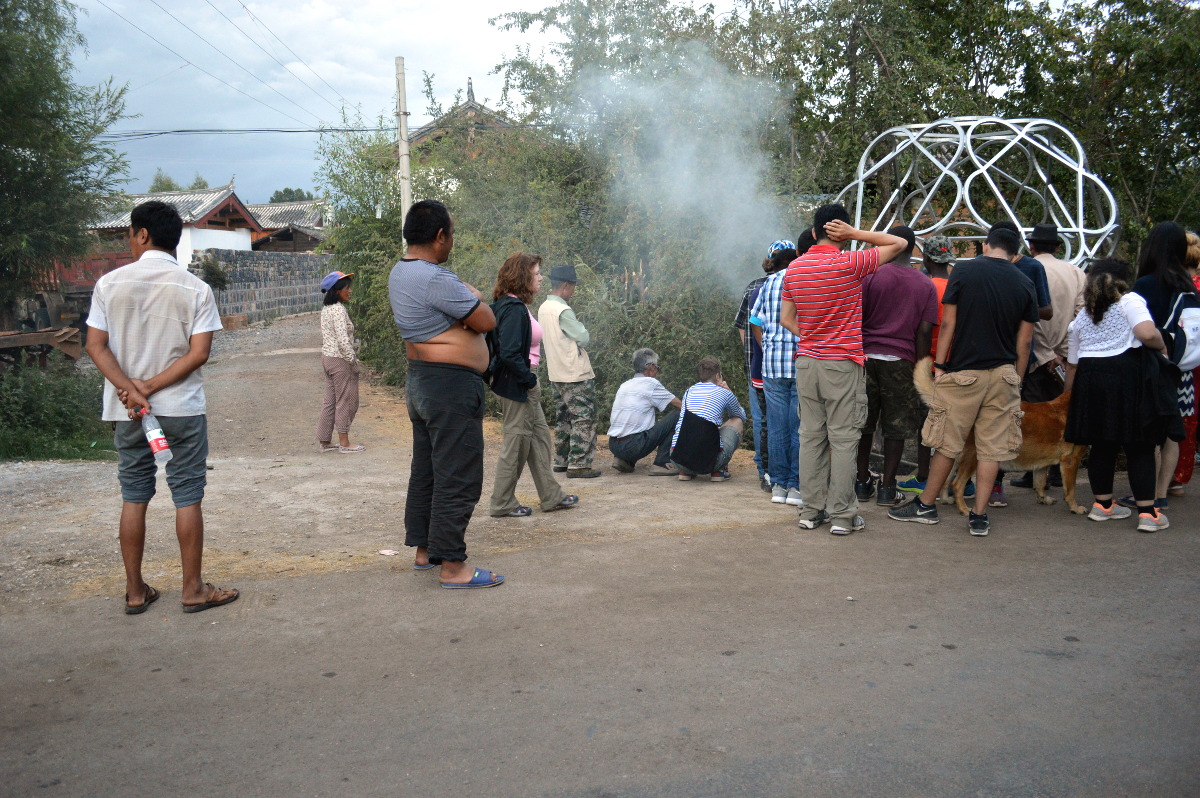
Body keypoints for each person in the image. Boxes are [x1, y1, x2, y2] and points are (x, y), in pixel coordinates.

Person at [85, 200, 239, 614]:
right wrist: (150, 387)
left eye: (130, 235)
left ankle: (135, 592)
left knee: (134, 495)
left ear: (142, 235)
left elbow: (94, 346)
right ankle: (192, 589)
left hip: (127, 412)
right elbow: (199, 353)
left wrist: (130, 390)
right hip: (181, 408)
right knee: (187, 494)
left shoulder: (109, 284)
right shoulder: (195, 288)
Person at [888, 226, 1039, 536]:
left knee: (947, 443)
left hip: (964, 373)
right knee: (991, 450)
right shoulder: (1025, 282)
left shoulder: (965, 272)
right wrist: (1017, 381)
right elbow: (1024, 343)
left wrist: (940, 366)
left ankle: (926, 506)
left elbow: (948, 325)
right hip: (1004, 375)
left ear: (985, 245)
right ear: (1015, 253)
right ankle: (979, 516)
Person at [388, 199, 504, 588]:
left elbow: (467, 307)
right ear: (440, 236)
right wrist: (468, 307)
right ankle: (453, 566)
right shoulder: (436, 279)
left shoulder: (402, 273)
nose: (452, 240)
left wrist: (462, 307)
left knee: (429, 471)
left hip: (421, 382)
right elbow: (485, 317)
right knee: (458, 475)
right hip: (449, 387)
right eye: (451, 234)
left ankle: (425, 550)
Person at [779, 204, 907, 535]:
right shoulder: (850, 263)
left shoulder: (794, 269)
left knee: (811, 438)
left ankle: (811, 511)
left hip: (807, 363)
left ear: (812, 233)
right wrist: (856, 235)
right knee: (844, 439)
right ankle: (842, 515)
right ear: (842, 231)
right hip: (842, 365)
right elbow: (898, 244)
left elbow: (786, 320)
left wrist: (812, 337)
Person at [1062, 258, 1170, 532]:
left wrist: (1070, 398)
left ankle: (1103, 506)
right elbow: (1146, 332)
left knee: (1102, 444)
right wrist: (1162, 347)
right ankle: (1148, 514)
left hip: (1090, 381)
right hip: (1127, 378)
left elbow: (1072, 364)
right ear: (1123, 281)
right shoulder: (1130, 301)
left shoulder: (1083, 316)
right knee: (1139, 445)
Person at [488, 253, 579, 517]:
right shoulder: (514, 310)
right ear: (523, 277)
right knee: (516, 444)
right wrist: (529, 381)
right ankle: (502, 502)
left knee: (539, 439)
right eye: (537, 273)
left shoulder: (508, 305)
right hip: (518, 383)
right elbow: (509, 353)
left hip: (516, 381)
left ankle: (551, 495)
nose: (540, 278)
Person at [1117, 221, 1197, 515]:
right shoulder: (1187, 283)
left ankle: (1146, 494)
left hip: (1150, 365)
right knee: (1172, 432)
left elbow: (1139, 328)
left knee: (1149, 431)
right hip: (1183, 367)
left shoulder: (1146, 283)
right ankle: (1161, 494)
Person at [854, 225, 937, 506]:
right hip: (901, 362)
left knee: (863, 423)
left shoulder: (869, 276)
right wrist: (920, 370)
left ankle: (862, 481)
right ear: (913, 250)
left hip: (865, 358)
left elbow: (856, 317)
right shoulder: (924, 284)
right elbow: (924, 332)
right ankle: (888, 487)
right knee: (896, 427)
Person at [1011, 223, 1086, 489]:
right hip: (1066, 360)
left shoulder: (1026, 270)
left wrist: (1044, 354)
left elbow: (1027, 317)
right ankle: (1054, 472)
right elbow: (1081, 316)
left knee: (1031, 418)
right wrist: (1065, 355)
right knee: (1059, 422)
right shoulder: (1076, 273)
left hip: (1034, 356)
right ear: (1057, 247)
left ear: (1031, 246)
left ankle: (1033, 471)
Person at [984, 220, 1054, 508]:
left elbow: (1046, 310)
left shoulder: (1032, 268)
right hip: (989, 354)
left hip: (1018, 358)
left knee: (1010, 423)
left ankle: (998, 486)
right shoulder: (981, 265)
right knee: (990, 423)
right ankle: (986, 484)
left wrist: (1018, 304)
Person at [899, 234, 956, 494]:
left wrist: (919, 364)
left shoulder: (924, 286)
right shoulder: (958, 286)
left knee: (926, 424)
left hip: (929, 365)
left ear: (926, 258)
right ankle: (957, 481)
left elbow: (920, 329)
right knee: (953, 427)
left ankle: (924, 476)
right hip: (954, 365)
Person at [750, 241, 803, 506]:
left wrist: (767, 346)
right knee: (799, 428)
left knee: (776, 428)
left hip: (772, 367)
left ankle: (778, 486)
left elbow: (754, 321)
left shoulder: (767, 284)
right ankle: (796, 486)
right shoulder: (803, 280)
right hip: (800, 363)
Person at [537, 264, 601, 479]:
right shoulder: (563, 310)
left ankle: (561, 461)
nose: (574, 290)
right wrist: (582, 327)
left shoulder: (544, 307)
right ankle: (579, 464)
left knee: (563, 418)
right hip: (575, 373)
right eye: (573, 286)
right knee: (584, 418)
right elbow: (583, 337)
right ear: (565, 285)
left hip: (556, 372)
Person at [734, 244, 782, 492]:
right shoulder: (793, 283)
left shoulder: (754, 286)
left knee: (761, 419)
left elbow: (743, 324)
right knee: (782, 420)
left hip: (756, 365)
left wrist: (752, 350)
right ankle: (779, 473)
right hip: (784, 366)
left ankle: (763, 470)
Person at [670, 356, 747, 481]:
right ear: (717, 376)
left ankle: (685, 472)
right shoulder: (724, 392)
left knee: (695, 425)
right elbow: (740, 415)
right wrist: (729, 392)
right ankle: (718, 470)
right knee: (737, 421)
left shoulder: (689, 391)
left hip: (678, 458)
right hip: (711, 461)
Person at [607, 348, 683, 474]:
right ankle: (662, 463)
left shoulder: (625, 384)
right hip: (633, 446)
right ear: (651, 367)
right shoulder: (651, 383)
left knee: (635, 426)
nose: (657, 372)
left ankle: (624, 460)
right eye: (657, 367)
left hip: (614, 445)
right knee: (678, 415)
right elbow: (680, 405)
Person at [316, 270, 364, 453]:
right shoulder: (337, 310)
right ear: (336, 290)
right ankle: (344, 442)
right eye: (347, 288)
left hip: (328, 359)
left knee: (330, 401)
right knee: (346, 400)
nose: (350, 291)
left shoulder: (327, 309)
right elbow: (343, 340)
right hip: (340, 361)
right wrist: (352, 361)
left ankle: (325, 441)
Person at [1168, 230, 1200, 496]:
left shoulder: (1175, 286)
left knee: (1181, 416)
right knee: (1190, 416)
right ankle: (1181, 474)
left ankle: (1171, 475)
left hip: (1182, 359)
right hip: (1196, 358)